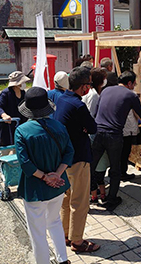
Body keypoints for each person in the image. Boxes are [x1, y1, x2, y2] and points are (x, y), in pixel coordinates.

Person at [15, 87, 74, 264]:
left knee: (37, 230)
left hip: (35, 188)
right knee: (54, 221)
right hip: (58, 185)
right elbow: (69, 153)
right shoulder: (59, 126)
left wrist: (45, 177)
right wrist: (57, 174)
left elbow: (25, 163)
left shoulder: (22, 131)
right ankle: (63, 259)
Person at [55, 67, 99, 253]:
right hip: (78, 157)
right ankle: (78, 241)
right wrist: (83, 128)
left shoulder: (61, 99)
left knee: (66, 198)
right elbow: (92, 128)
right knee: (80, 202)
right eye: (88, 84)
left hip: (63, 158)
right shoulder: (79, 106)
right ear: (83, 87)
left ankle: (65, 234)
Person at [93, 70, 141, 211]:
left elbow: (96, 112)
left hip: (98, 132)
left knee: (91, 165)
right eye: (135, 82)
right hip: (114, 135)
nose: (136, 85)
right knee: (115, 168)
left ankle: (91, 194)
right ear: (130, 83)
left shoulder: (105, 91)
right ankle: (112, 198)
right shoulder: (130, 95)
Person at [82, 67, 108, 203]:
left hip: (93, 133)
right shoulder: (94, 96)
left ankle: (97, 191)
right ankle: (95, 193)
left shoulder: (95, 94)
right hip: (93, 135)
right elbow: (91, 115)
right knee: (96, 167)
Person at [0, 71, 30, 146]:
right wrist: (4, 115)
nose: (24, 84)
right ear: (17, 84)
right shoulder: (6, 93)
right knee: (8, 146)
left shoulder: (23, 93)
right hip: (8, 125)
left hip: (20, 123)